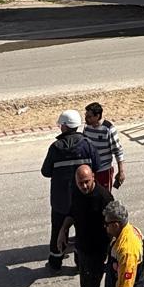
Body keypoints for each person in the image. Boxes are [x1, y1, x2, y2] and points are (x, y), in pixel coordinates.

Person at [41, 109, 96, 272]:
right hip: (82, 199)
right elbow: (97, 166)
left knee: (57, 230)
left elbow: (45, 172)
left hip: (60, 200)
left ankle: (55, 262)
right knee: (81, 231)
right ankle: (80, 263)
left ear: (64, 127)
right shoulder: (87, 145)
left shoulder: (55, 147)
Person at [71, 163, 115, 287]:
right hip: (82, 249)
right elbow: (72, 213)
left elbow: (116, 225)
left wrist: (111, 250)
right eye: (80, 182)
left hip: (97, 253)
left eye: (87, 182)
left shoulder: (104, 197)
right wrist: (62, 232)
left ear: (94, 178)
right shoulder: (77, 192)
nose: (84, 186)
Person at [82, 101, 125, 189]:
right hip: (90, 171)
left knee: (104, 199)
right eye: (86, 115)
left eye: (89, 116)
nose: (86, 118)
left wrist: (121, 171)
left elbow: (118, 151)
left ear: (97, 116)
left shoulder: (108, 129)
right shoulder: (87, 127)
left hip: (104, 171)